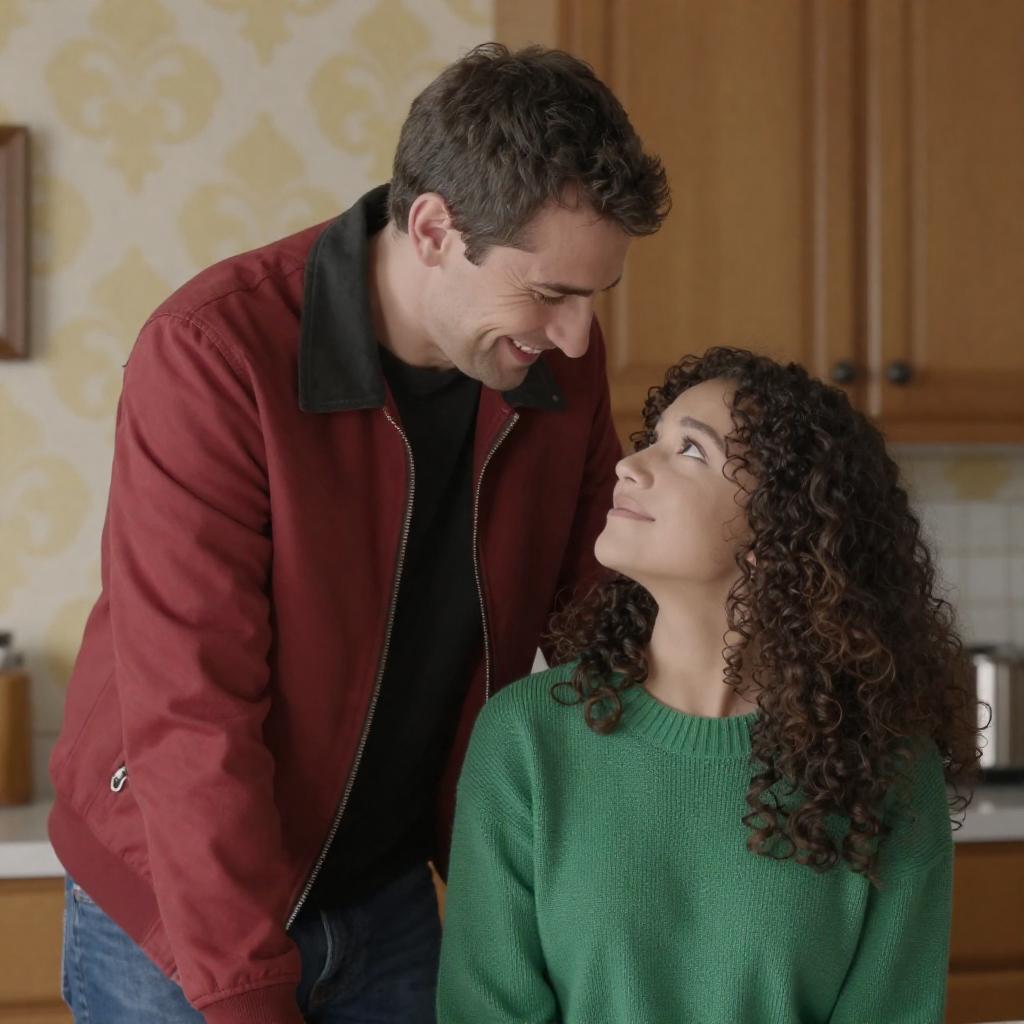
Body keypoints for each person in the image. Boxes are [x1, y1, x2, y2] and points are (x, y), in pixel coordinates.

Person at [49, 43, 670, 1024]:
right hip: (179, 909)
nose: (577, 336)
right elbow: (190, 712)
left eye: (597, 296)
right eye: (551, 292)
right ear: (432, 229)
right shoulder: (215, 356)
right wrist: (247, 996)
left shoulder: (555, 367)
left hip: (388, 897)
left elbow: (607, 628)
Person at [437, 346, 980, 1024]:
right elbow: (486, 1011)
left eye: (690, 450)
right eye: (652, 439)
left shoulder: (887, 765)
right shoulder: (526, 736)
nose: (630, 465)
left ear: (782, 528)